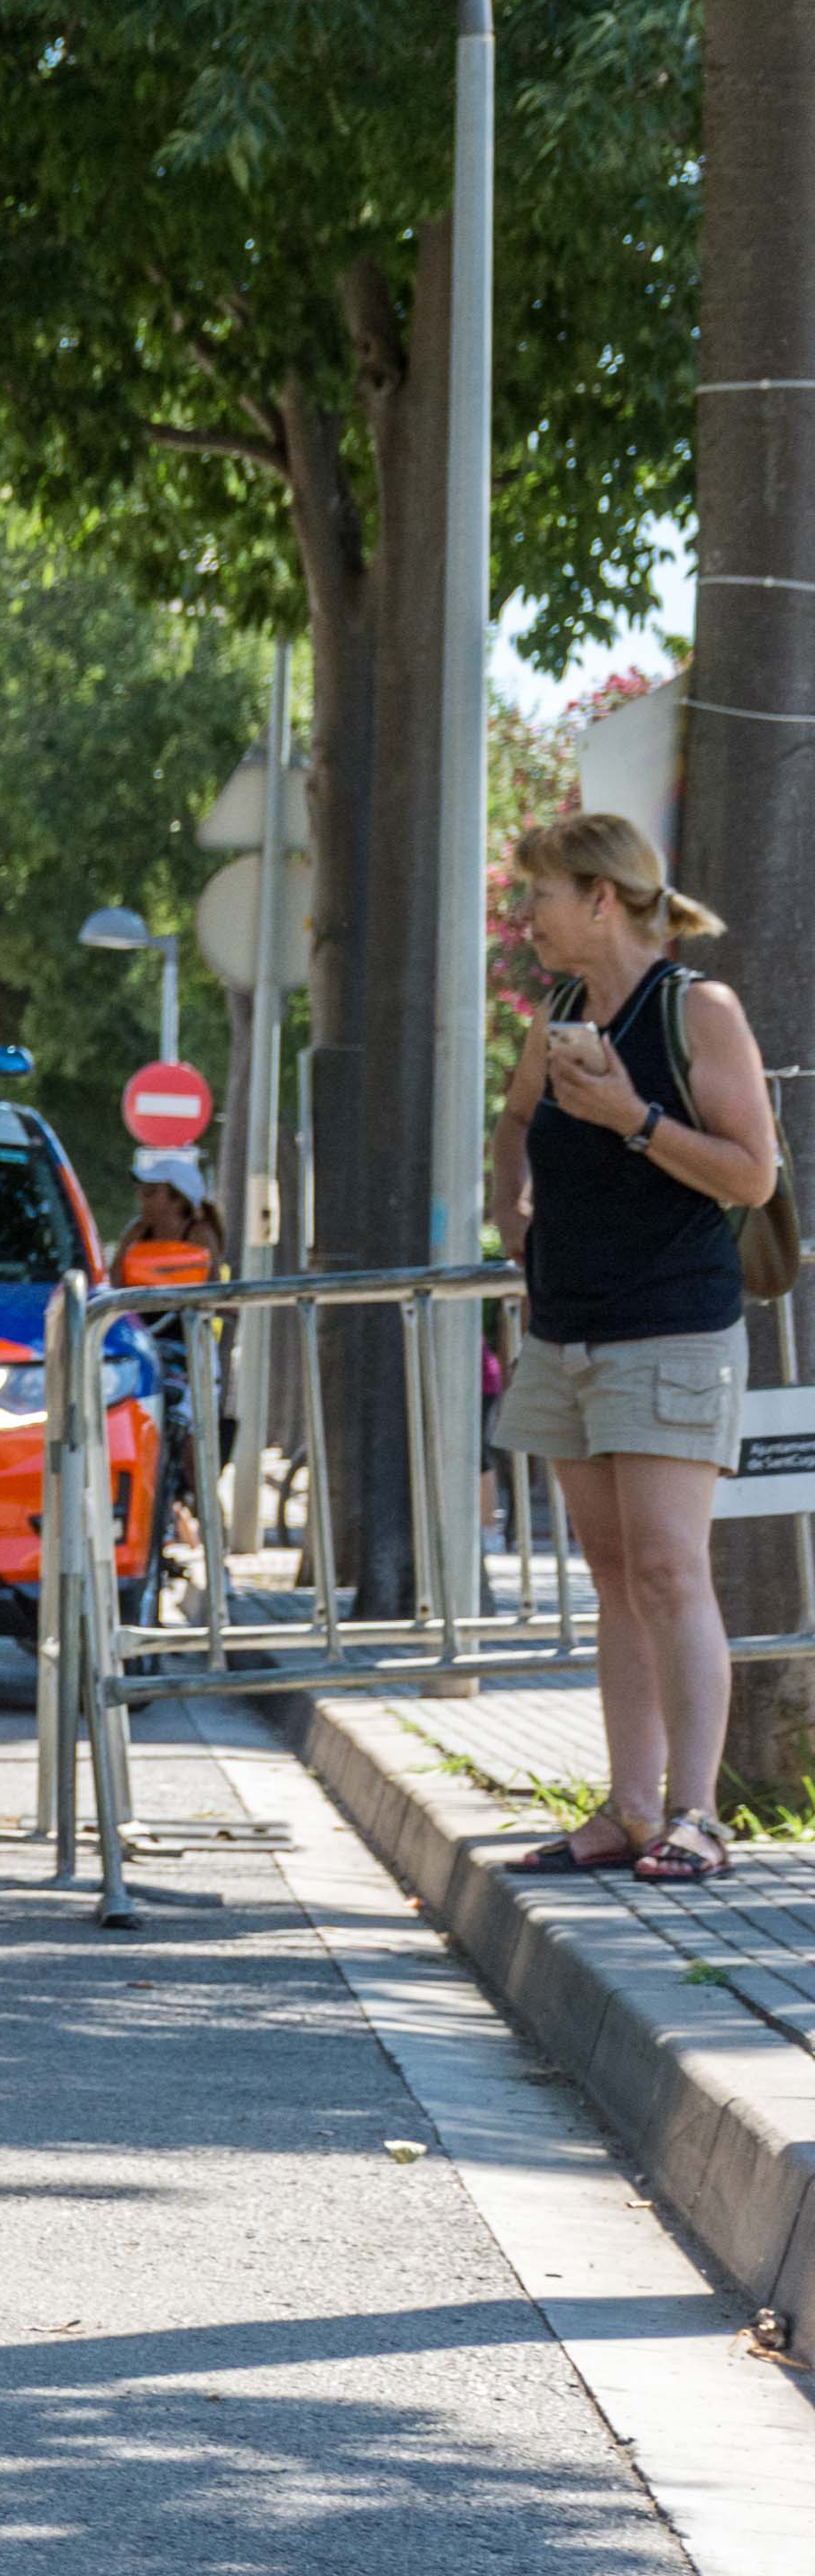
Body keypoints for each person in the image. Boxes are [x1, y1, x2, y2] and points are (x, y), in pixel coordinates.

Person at [489, 806, 781, 1887]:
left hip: (672, 1325)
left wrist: (631, 1117)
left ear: (600, 898)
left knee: (667, 1568)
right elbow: (517, 1117)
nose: (529, 920)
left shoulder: (696, 1009)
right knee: (610, 1573)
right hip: (567, 1324)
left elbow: (751, 1176)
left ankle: (698, 1816)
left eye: (541, 897)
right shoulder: (560, 1010)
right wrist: (509, 1206)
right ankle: (627, 1808)